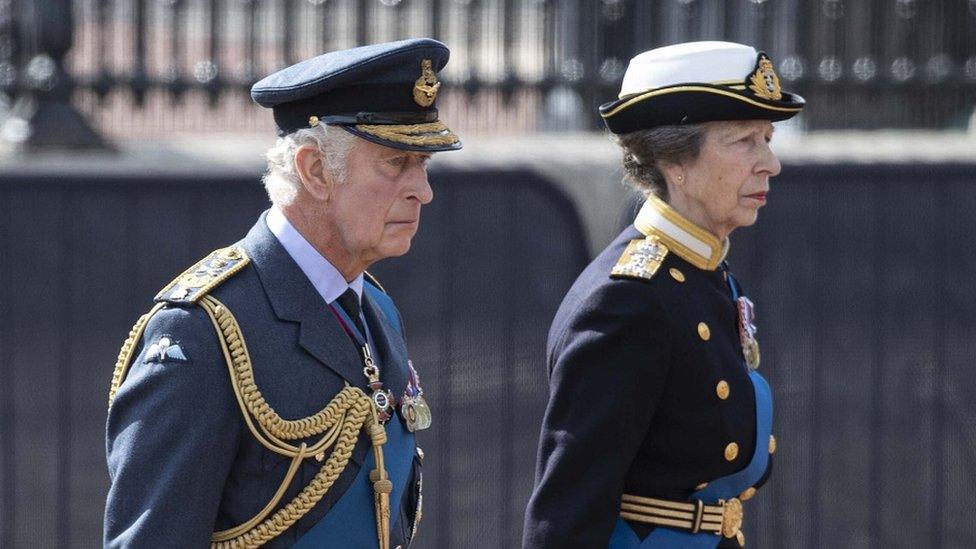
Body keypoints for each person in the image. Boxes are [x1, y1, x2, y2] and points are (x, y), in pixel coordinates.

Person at [104, 38, 460, 548]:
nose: (422, 190)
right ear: (315, 171)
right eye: (396, 162)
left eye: (424, 164)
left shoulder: (374, 307)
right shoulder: (201, 330)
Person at [522, 41, 805, 549]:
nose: (770, 163)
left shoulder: (704, 270)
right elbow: (567, 512)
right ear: (675, 160)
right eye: (744, 140)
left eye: (768, 138)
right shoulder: (628, 299)